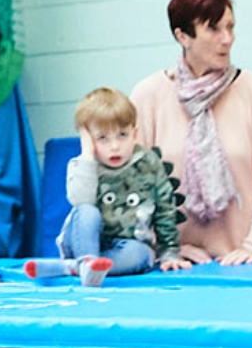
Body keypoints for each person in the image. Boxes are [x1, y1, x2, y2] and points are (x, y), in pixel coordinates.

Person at [129, 0, 252, 264]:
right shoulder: (148, 95)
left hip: (249, 262)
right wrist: (165, 248)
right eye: (214, 29)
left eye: (230, 27)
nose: (227, 39)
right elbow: (133, 186)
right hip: (174, 267)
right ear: (182, 36)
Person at [24, 88, 189, 286]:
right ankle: (86, 261)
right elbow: (81, 202)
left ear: (134, 134)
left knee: (142, 255)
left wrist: (169, 251)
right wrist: (87, 154)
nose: (114, 146)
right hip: (83, 242)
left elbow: (164, 207)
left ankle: (73, 268)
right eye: (102, 138)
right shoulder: (82, 165)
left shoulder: (148, 164)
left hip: (128, 244)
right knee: (87, 210)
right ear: (87, 138)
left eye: (122, 135)